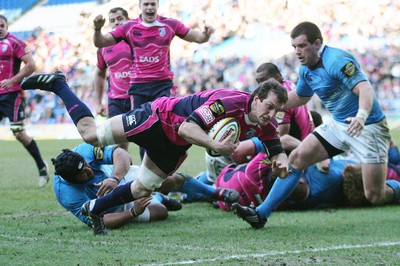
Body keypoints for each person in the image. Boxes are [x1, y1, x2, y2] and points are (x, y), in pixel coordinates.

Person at [21, 72, 290, 235]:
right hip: (157, 119)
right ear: (256, 98)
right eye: (267, 107)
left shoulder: (267, 124)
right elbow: (187, 127)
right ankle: (59, 85)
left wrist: (282, 165)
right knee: (91, 135)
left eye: (276, 111)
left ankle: (94, 209)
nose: (270, 115)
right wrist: (215, 145)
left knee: (142, 189)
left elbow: (277, 150)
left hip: (175, 145)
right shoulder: (228, 103)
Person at [233, 21, 400, 229]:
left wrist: (361, 115)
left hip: (368, 126)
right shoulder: (306, 70)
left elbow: (365, 89)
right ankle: (261, 214)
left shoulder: (337, 60)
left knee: (374, 195)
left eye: (302, 46)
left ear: (317, 43)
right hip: (339, 125)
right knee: (297, 157)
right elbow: (298, 98)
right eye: (294, 47)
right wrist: (260, 105)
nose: (298, 52)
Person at [93, 0, 215, 158]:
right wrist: (97, 28)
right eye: (146, 4)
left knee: (164, 128)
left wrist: (206, 34)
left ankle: (165, 166)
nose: (149, 7)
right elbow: (100, 42)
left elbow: (197, 37)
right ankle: (145, 169)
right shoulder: (129, 27)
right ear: (140, 7)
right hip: (138, 87)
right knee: (142, 132)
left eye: (152, 4)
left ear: (157, 5)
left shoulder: (170, 25)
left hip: (162, 85)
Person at [53, 143, 183, 231]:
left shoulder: (84, 150)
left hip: (121, 176)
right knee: (161, 212)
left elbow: (122, 154)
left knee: (172, 181)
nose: (89, 170)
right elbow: (99, 221)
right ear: (72, 180)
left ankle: (201, 189)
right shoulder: (66, 193)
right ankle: (158, 198)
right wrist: (132, 213)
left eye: (86, 164)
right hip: (113, 208)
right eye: (83, 173)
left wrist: (114, 178)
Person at [0, 15, 49, 188]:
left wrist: (13, 80)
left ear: (7, 26)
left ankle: (42, 167)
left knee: (18, 132)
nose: (0, 28)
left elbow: (31, 65)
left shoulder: (15, 43)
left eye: (2, 25)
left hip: (11, 94)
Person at [93, 7, 133, 151]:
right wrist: (97, 101)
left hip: (137, 96)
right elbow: (100, 73)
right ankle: (122, 173)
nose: (116, 23)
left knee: (145, 138)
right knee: (120, 143)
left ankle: (148, 172)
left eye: (119, 19)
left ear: (128, 20)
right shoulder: (104, 46)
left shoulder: (137, 40)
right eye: (112, 20)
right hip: (116, 100)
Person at [255, 62, 315, 153]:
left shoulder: (279, 100)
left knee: (242, 150)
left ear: (277, 78)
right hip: (309, 136)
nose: (260, 85)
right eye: (258, 81)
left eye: (263, 80)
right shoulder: (288, 84)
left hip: (300, 147)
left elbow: (281, 137)